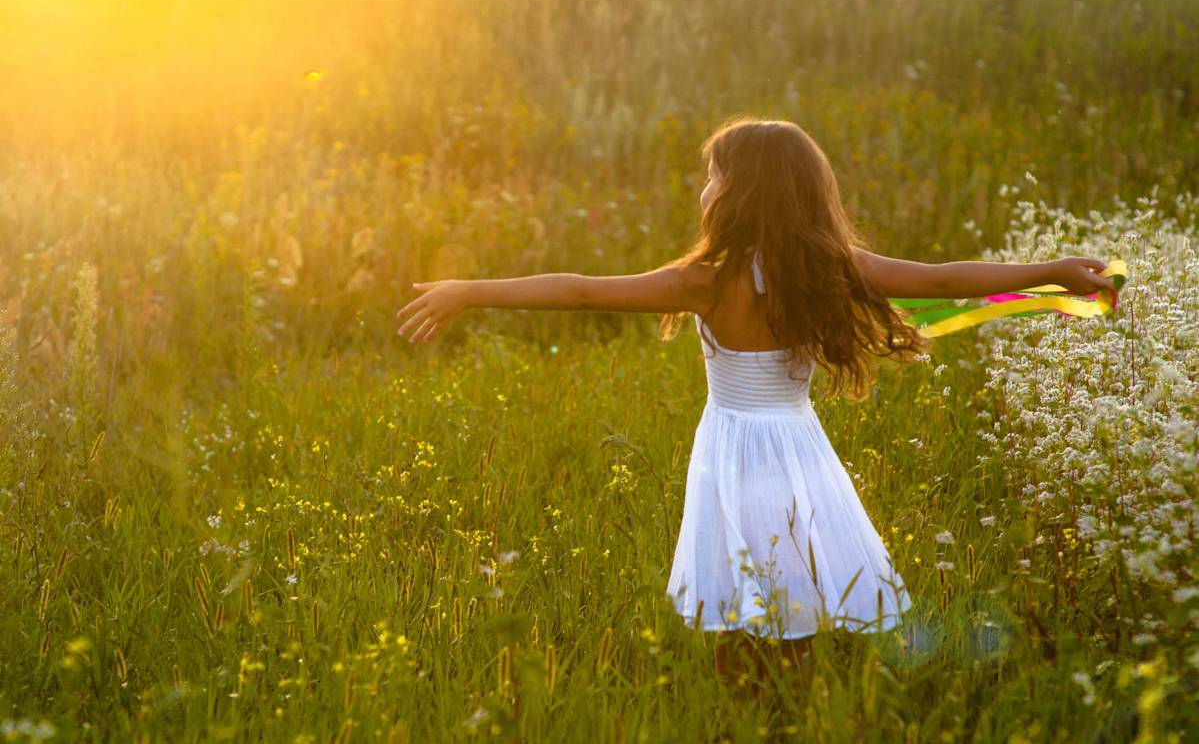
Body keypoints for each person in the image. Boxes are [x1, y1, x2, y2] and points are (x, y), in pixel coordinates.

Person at [394, 117, 1117, 696]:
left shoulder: (706, 280)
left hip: (733, 451)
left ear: (738, 192)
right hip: (797, 448)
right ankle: (790, 711)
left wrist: (470, 289)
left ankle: (749, 711)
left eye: (711, 177)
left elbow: (581, 289)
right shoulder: (832, 267)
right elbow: (943, 276)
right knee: (790, 597)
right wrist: (1051, 269)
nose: (703, 190)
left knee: (738, 594)